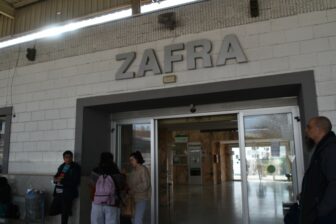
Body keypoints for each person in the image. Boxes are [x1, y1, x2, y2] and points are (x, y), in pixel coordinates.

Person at [300, 116, 336, 224]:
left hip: (326, 217)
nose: (306, 130)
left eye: (309, 127)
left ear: (319, 129)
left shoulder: (330, 149)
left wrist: (320, 211)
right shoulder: (322, 148)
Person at [49, 150, 81, 224]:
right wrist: (55, 179)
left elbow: (75, 181)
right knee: (56, 209)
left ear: (72, 158)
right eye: (66, 157)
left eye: (70, 157)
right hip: (59, 192)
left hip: (67, 193)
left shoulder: (75, 167)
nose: (68, 159)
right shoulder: (62, 166)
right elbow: (57, 176)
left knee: (65, 211)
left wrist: (62, 181)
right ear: (63, 158)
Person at [90, 152, 121, 224]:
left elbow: (91, 185)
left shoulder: (95, 171)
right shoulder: (115, 171)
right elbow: (120, 186)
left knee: (96, 222)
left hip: (97, 201)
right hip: (112, 202)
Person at [127, 151, 151, 224]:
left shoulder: (143, 169)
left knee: (137, 220)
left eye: (132, 160)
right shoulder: (133, 171)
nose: (130, 162)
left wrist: (133, 189)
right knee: (133, 219)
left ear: (137, 159)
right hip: (133, 198)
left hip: (141, 198)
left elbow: (145, 184)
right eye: (130, 160)